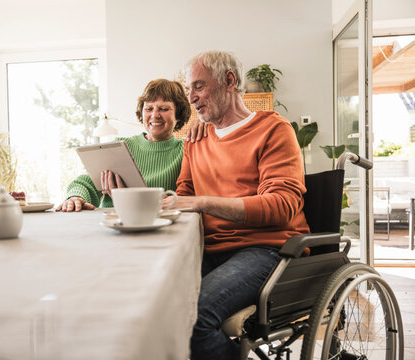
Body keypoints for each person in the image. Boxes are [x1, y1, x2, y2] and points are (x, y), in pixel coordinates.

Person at [170, 50, 310, 360]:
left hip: (265, 250)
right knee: (156, 306)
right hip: (208, 249)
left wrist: (202, 202)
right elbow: (185, 190)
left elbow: (282, 205)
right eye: (188, 90)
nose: (190, 98)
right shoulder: (196, 138)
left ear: (229, 81)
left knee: (192, 317)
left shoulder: (274, 129)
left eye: (198, 87)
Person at [56, 79, 191, 212]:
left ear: (178, 114)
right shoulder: (120, 146)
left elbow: (185, 199)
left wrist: (132, 198)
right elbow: (85, 182)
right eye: (149, 108)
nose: (155, 115)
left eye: (163, 108)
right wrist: (76, 197)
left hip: (157, 224)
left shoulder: (186, 149)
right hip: (111, 223)